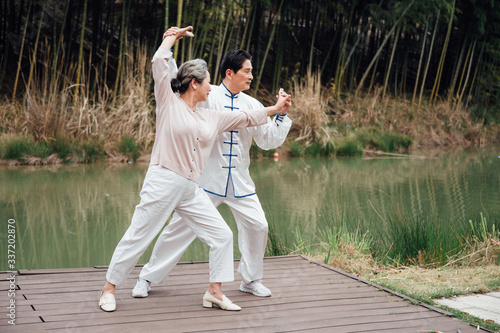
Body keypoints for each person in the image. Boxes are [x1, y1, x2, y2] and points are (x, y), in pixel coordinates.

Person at [98, 26, 291, 312]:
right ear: (194, 84)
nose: (210, 87)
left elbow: (247, 117)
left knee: (224, 236)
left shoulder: (212, 115)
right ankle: (113, 288)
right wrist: (168, 40)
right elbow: (162, 68)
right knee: (141, 234)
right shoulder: (169, 103)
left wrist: (277, 110)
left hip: (196, 187)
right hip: (168, 181)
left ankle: (217, 291)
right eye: (207, 82)